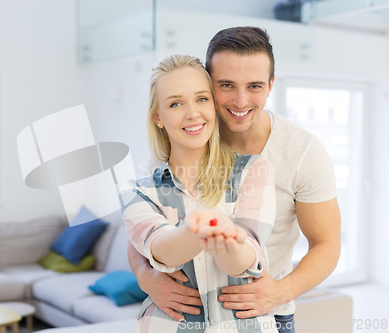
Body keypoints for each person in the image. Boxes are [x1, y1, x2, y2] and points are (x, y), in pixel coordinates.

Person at [128, 27, 341, 333]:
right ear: (208, 83)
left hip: (265, 312)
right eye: (226, 85)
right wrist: (146, 278)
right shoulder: (184, 140)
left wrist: (279, 292)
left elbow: (327, 245)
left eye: (254, 86)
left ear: (270, 86)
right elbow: (140, 230)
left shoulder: (302, 152)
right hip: (186, 317)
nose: (241, 101)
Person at [121, 54, 277, 332]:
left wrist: (226, 241)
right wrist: (197, 229)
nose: (192, 113)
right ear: (158, 117)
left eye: (202, 99)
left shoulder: (253, 170)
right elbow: (161, 252)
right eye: (176, 103)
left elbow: (246, 261)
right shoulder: (138, 191)